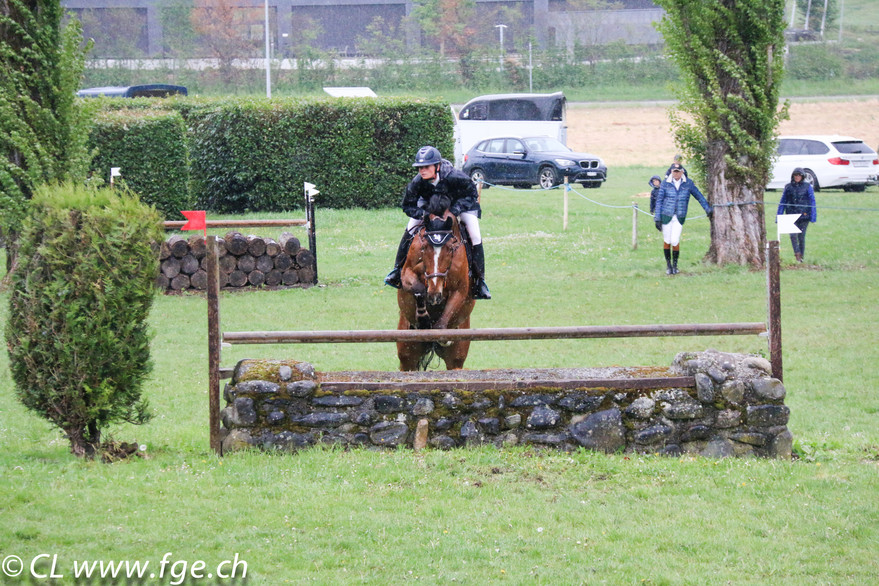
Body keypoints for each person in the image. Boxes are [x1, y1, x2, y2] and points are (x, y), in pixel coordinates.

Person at [384, 145, 491, 299]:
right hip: (430, 206)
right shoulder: (418, 181)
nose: (422, 171)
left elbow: (472, 194)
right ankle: (397, 270)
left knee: (475, 235)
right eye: (420, 167)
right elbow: (407, 205)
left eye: (426, 167)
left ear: (437, 166)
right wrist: (423, 214)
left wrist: (455, 210)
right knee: (410, 229)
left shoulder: (455, 177)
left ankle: (480, 281)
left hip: (460, 205)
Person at [653, 163, 713, 275]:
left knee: (675, 240)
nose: (676, 174)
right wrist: (657, 218)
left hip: (679, 216)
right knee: (667, 240)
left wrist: (707, 208)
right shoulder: (665, 184)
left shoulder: (688, 183)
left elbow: (698, 196)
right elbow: (659, 201)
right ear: (671, 172)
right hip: (666, 215)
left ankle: (675, 265)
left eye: (678, 171)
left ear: (682, 172)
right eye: (674, 171)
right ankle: (669, 266)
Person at [777, 167, 817, 263]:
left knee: (801, 237)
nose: (797, 177)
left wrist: (813, 216)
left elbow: (812, 201)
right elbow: (783, 201)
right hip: (790, 215)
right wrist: (779, 215)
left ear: (802, 176)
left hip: (804, 215)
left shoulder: (807, 187)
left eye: (799, 175)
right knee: (792, 235)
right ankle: (797, 253)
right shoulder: (788, 187)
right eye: (795, 175)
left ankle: (801, 256)